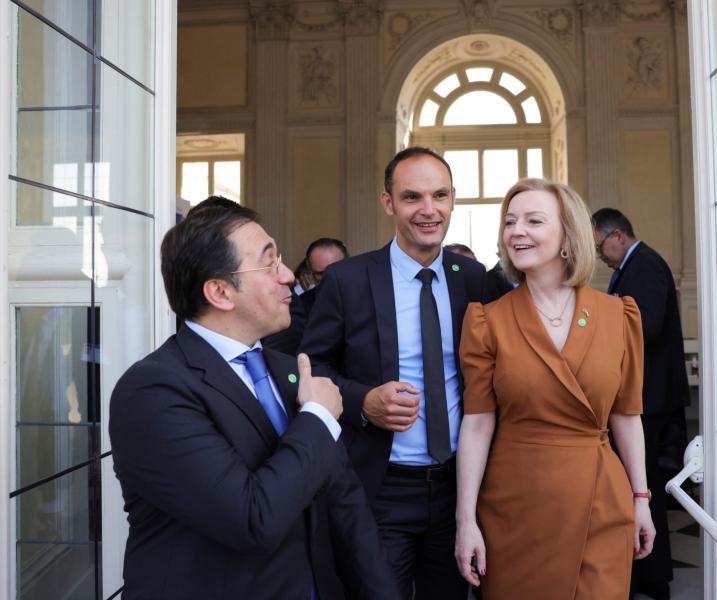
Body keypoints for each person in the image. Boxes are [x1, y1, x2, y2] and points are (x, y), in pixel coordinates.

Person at [109, 197, 398, 600]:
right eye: (268, 262)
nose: (287, 276)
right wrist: (316, 416)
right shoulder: (152, 393)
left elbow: (346, 507)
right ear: (220, 292)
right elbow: (252, 519)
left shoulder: (286, 370)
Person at [455, 179, 656, 599]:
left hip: (600, 501)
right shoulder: (487, 321)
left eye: (533, 220)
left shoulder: (618, 315)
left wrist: (642, 499)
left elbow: (626, 414)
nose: (516, 231)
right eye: (509, 222)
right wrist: (465, 521)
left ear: (569, 234)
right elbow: (476, 425)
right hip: (515, 508)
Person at [300, 147, 486, 599]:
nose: (428, 210)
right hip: (380, 489)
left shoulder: (474, 279)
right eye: (411, 197)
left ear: (453, 199)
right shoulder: (347, 280)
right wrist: (363, 401)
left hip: (457, 490)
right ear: (388, 203)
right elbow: (310, 368)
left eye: (439, 195)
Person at [592, 207, 690, 600]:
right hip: (645, 394)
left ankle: (651, 577)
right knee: (640, 484)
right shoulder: (633, 267)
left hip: (650, 397)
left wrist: (599, 316)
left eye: (600, 247)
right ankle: (643, 571)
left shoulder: (644, 265)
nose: (600, 255)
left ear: (618, 236)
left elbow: (644, 327)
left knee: (642, 486)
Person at [264, 238, 348, 354]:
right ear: (311, 274)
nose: (330, 278)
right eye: (321, 274)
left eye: (336, 271)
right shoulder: (299, 306)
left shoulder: (366, 300)